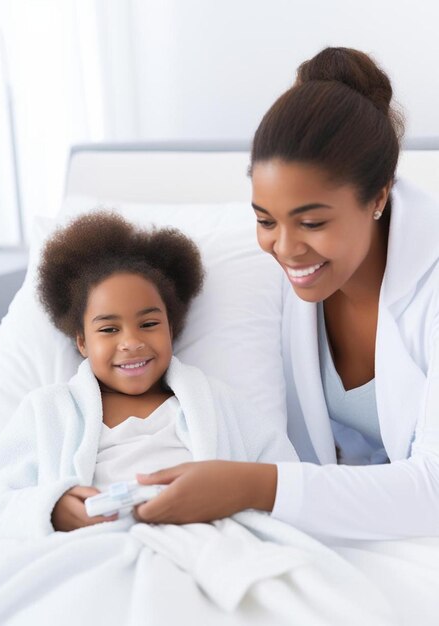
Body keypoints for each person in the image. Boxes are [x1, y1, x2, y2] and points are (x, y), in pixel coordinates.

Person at [134, 47, 439, 540]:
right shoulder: (267, 279)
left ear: (378, 196)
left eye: (312, 223)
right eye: (264, 220)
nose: (286, 249)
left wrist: (256, 486)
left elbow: (434, 490)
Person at [0, 211, 287, 537]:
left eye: (149, 324)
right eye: (108, 329)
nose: (132, 342)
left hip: (202, 542)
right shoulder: (49, 411)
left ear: (171, 329)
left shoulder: (214, 403)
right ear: (82, 342)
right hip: (92, 549)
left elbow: (284, 476)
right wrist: (52, 508)